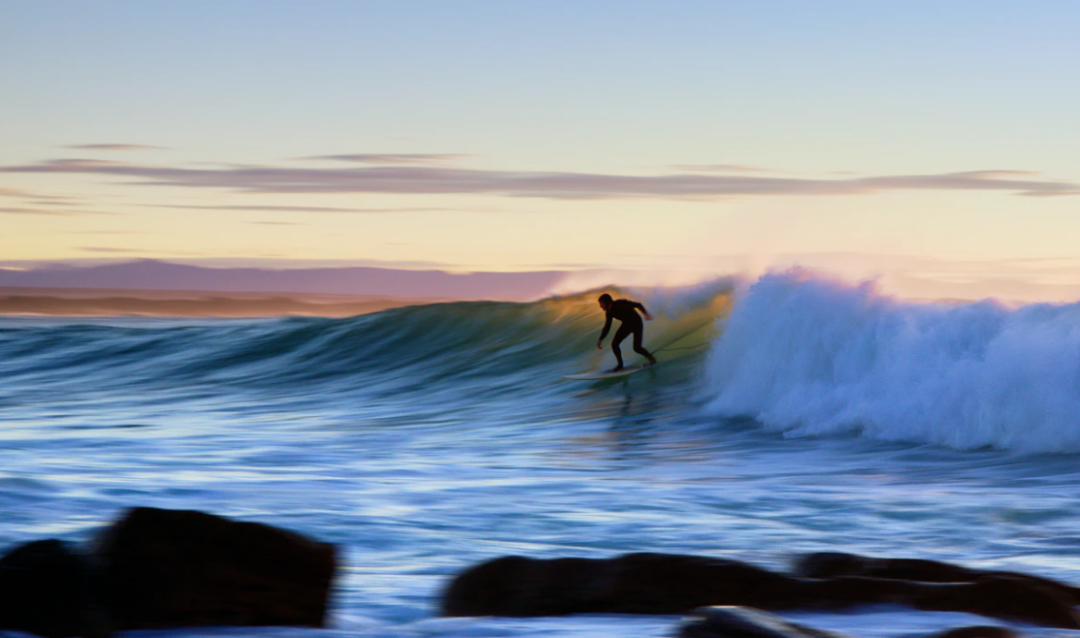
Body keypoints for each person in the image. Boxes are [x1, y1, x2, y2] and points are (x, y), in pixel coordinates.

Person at [596, 293, 657, 371]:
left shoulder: (621, 303)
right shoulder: (609, 312)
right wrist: (600, 339)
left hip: (636, 323)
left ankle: (652, 359)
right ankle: (620, 365)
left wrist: (646, 314)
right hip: (627, 325)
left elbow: (638, 304)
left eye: (601, 303)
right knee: (614, 344)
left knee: (637, 348)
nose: (600, 306)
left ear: (607, 302)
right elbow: (607, 326)